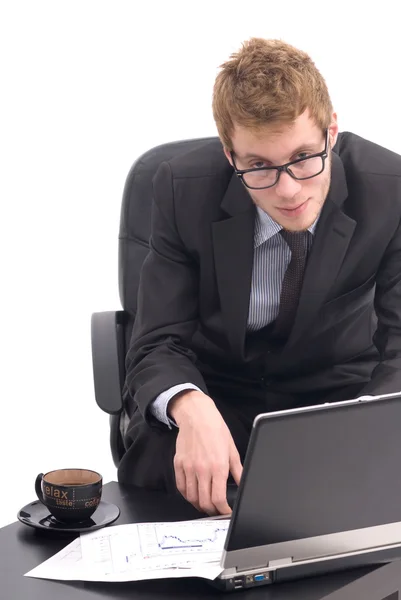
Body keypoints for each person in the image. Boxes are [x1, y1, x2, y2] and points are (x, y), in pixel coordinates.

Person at [117, 37, 401, 515]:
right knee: (166, 470)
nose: (289, 190)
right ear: (231, 156)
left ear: (332, 132)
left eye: (305, 157)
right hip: (217, 391)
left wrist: (361, 427)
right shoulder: (181, 190)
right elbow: (155, 340)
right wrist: (189, 404)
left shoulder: (389, 190)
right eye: (259, 166)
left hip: (335, 396)